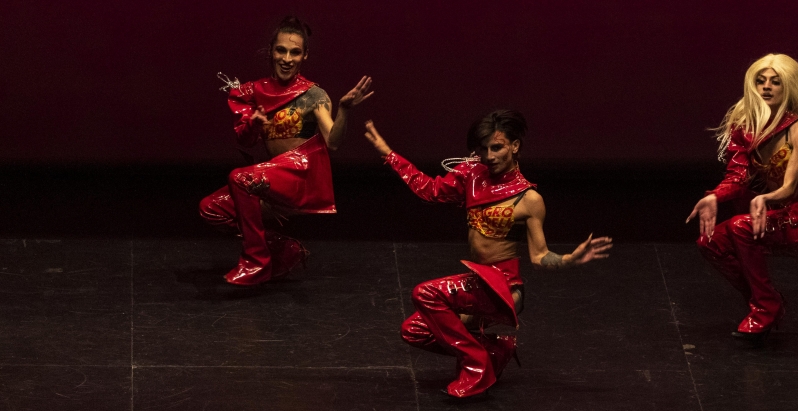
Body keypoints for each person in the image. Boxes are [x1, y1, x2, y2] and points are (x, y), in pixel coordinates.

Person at [362, 110, 613, 398]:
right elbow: (429, 190)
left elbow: (539, 256)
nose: (489, 155)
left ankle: (476, 364)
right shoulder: (471, 176)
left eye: (497, 147)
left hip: (502, 287)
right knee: (415, 329)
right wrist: (388, 154)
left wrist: (569, 260)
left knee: (425, 293)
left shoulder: (528, 199)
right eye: (483, 149)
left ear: (515, 146)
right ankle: (495, 349)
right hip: (476, 283)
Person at [199, 16, 373, 286]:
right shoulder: (254, 91)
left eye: (295, 52)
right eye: (281, 50)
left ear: (304, 56)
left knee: (240, 178)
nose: (287, 58)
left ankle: (257, 262)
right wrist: (254, 125)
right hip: (270, 179)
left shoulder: (312, 94)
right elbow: (245, 142)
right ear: (271, 51)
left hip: (299, 177)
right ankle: (284, 249)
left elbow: (334, 142)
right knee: (211, 209)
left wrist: (344, 111)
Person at [686, 54, 798, 340]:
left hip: (795, 216)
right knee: (709, 242)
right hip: (761, 213)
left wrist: (766, 199)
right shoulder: (745, 125)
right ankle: (765, 302)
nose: (766, 87)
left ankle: (765, 306)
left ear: (789, 86)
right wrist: (715, 197)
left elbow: (790, 187)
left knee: (738, 226)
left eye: (775, 82)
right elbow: (738, 177)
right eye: (761, 81)